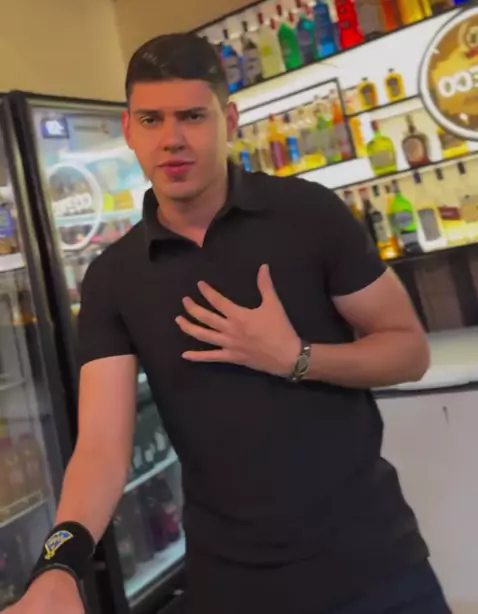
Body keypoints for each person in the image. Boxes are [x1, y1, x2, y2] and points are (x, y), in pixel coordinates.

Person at [12, 33, 451, 614]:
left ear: (230, 120)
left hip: (373, 564)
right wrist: (58, 565)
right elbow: (100, 447)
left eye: (193, 116)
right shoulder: (113, 277)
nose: (172, 139)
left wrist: (296, 357)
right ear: (128, 130)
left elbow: (408, 351)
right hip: (232, 586)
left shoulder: (308, 213)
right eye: (152, 119)